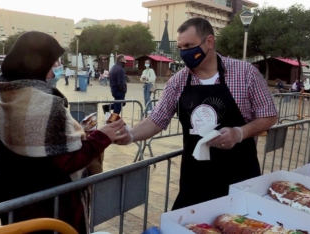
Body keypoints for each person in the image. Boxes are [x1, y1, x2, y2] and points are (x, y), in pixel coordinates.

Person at [116, 18, 277, 210]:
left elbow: (269, 115)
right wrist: (131, 135)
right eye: (181, 47)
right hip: (195, 177)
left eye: (190, 46)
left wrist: (239, 133)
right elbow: (156, 120)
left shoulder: (245, 73)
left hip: (239, 174)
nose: (185, 52)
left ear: (209, 42)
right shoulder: (178, 81)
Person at [0, 31, 127, 234]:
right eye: (53, 64)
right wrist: (102, 136)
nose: (57, 71)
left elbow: (43, 142)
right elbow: (68, 161)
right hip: (48, 211)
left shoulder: (10, 94)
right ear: (37, 65)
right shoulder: (44, 104)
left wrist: (71, 131)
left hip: (17, 202)